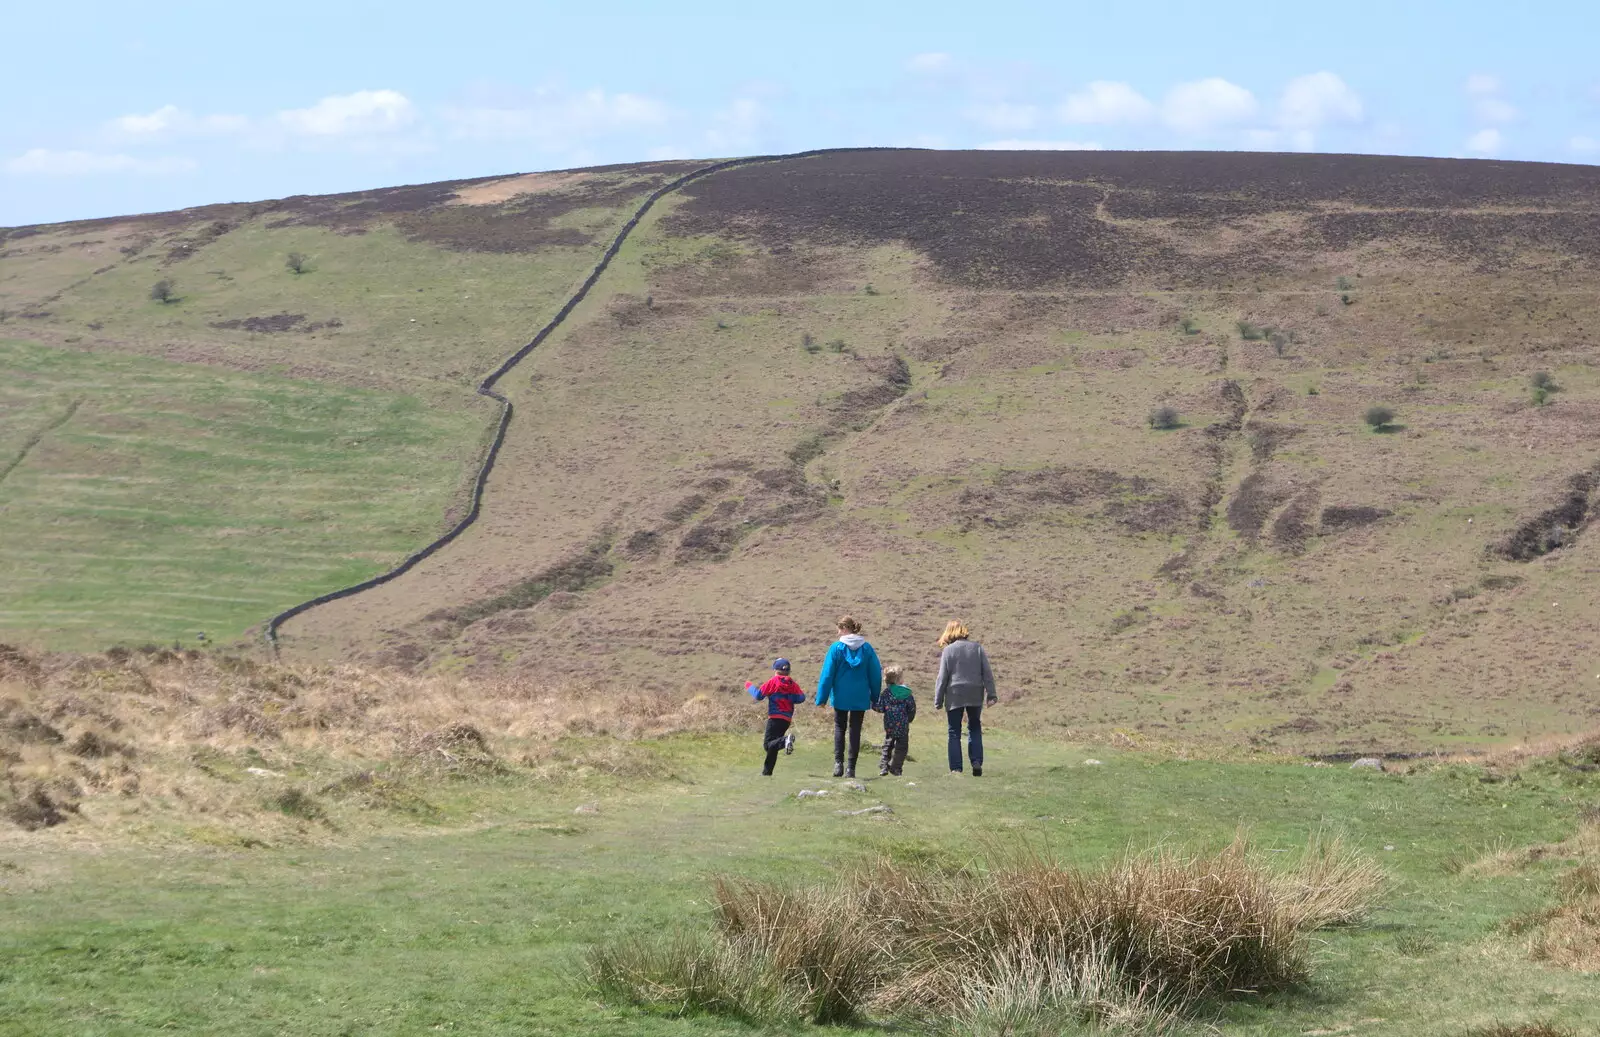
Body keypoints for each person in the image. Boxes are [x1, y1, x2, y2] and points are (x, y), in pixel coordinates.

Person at [815, 615, 882, 778]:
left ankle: (838, 764)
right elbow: (875, 675)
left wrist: (822, 698)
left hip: (840, 695)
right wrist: (875, 697)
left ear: (845, 628)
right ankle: (851, 768)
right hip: (860, 696)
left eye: (839, 629)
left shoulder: (836, 648)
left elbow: (827, 674)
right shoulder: (867, 648)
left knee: (840, 727)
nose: (838, 633)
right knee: (855, 729)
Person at [933, 620, 996, 776]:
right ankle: (976, 762)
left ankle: (956, 769)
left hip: (955, 693)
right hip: (975, 692)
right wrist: (992, 694)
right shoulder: (977, 648)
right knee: (974, 726)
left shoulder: (948, 651)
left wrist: (938, 699)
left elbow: (942, 677)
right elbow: (987, 673)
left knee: (954, 731)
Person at [748, 658, 806, 776]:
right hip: (786, 719)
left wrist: (748, 685)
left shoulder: (773, 682)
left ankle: (785, 740)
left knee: (767, 745)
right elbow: (801, 698)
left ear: (775, 669)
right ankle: (767, 772)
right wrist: (789, 698)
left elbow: (759, 696)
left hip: (774, 717)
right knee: (773, 745)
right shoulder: (792, 684)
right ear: (788, 671)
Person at [872, 664, 917, 777]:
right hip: (903, 725)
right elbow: (911, 708)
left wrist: (872, 703)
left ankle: (883, 766)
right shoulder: (907, 693)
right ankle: (896, 768)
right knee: (902, 747)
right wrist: (909, 719)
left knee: (888, 744)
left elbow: (880, 707)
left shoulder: (886, 693)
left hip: (889, 724)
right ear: (899, 679)